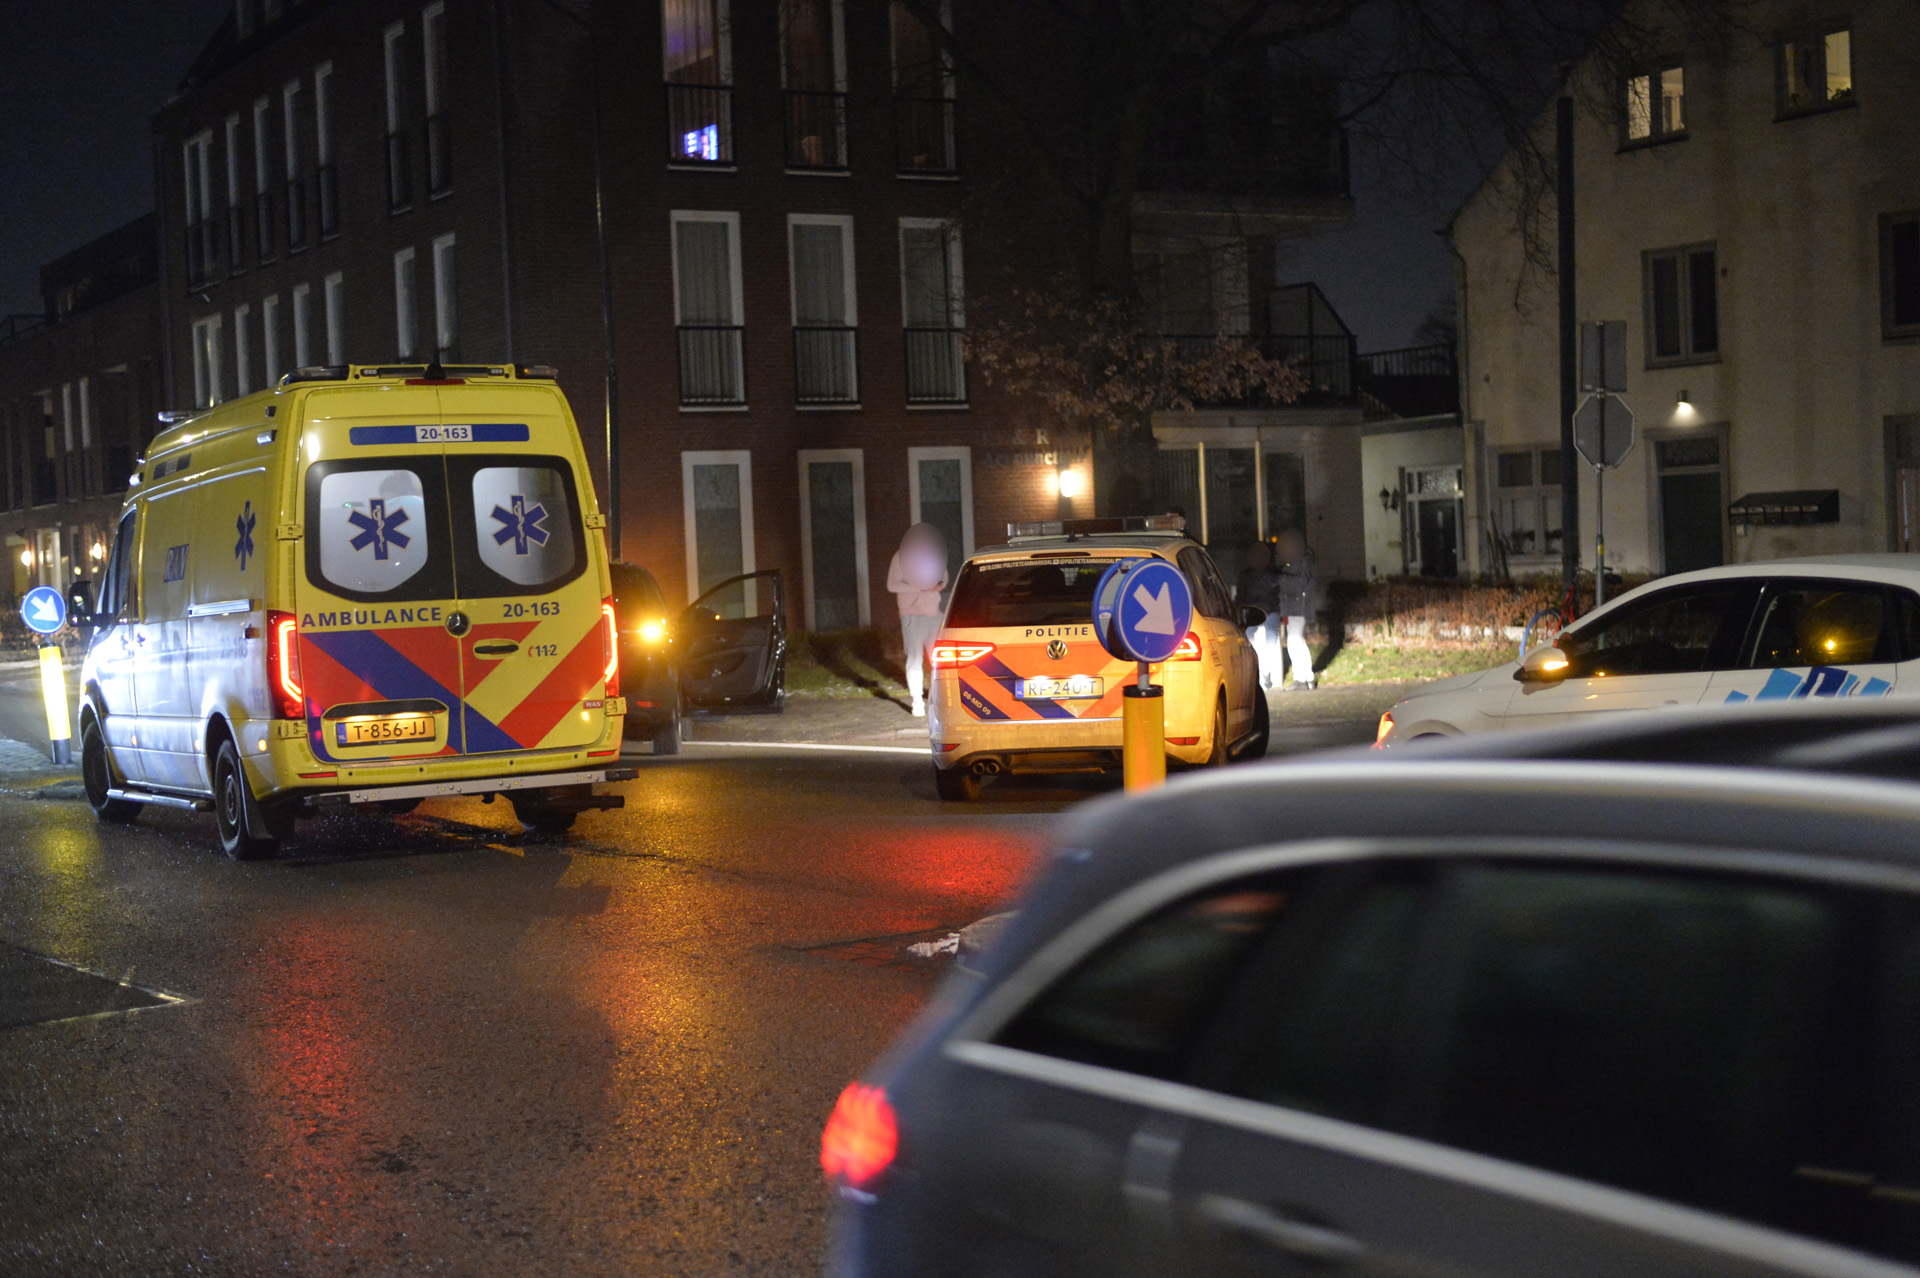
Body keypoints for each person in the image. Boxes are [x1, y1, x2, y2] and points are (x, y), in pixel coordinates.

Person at [888, 523, 949, 716]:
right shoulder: (900, 558)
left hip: (934, 615)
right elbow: (892, 585)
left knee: (939, 659)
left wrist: (937, 583)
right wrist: (918, 587)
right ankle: (917, 702)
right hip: (913, 615)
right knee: (915, 658)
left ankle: (937, 697)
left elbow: (944, 577)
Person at [1235, 539, 1283, 689]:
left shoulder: (1247, 575)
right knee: (1266, 641)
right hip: (1266, 612)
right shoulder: (1274, 575)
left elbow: (1241, 597)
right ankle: (1264, 671)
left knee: (1248, 640)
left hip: (1259, 613)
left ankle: (1257, 671)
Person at [1274, 527, 1316, 690]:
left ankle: (1302, 678)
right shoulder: (1300, 558)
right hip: (1295, 606)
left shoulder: (1302, 559)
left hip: (1298, 606)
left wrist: (1279, 578)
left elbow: (1299, 582)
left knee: (1295, 641)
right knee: (1296, 640)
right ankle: (1306, 678)